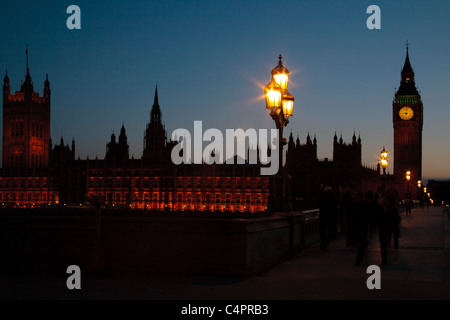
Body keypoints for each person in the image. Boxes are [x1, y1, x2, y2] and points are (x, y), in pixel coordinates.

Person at [319, 186, 338, 252]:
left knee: (322, 232)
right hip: (330, 218)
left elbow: (320, 206)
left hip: (323, 217)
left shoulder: (322, 198)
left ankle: (323, 244)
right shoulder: (333, 198)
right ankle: (324, 244)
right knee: (330, 232)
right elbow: (335, 208)